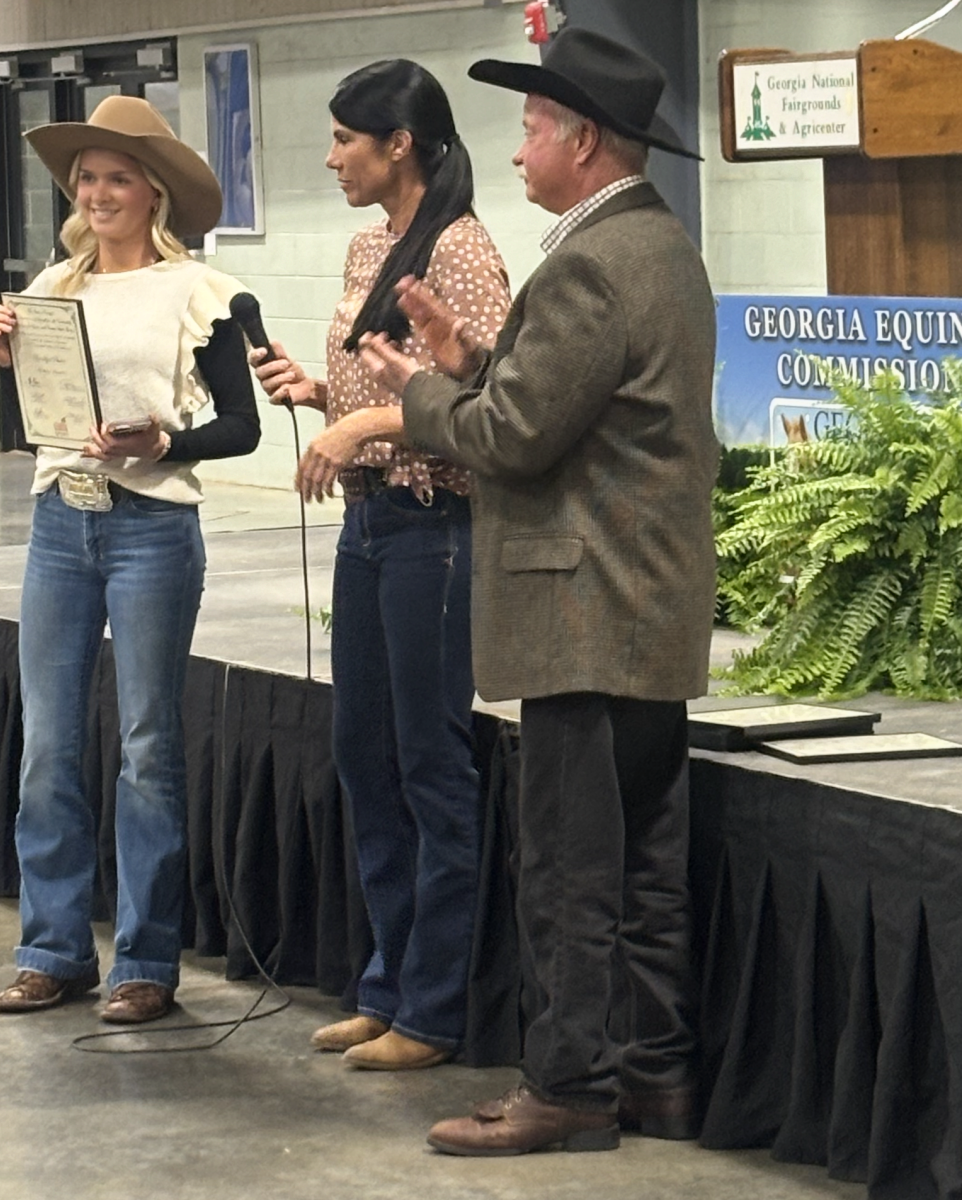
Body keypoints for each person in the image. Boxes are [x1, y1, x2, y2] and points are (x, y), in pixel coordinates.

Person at [359, 28, 718, 1151]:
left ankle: (564, 1090)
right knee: (645, 862)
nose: (513, 151)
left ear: (583, 139)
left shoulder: (589, 260)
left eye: (528, 128)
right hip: (644, 604)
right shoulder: (657, 245)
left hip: (580, 607)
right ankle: (653, 1078)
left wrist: (422, 397)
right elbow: (581, 409)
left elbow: (514, 439)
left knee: (567, 865)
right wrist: (469, 360)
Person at [250, 59, 510, 1069]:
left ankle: (434, 1011)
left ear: (396, 143)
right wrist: (319, 392)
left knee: (430, 767)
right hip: (366, 527)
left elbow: (486, 418)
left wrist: (360, 419)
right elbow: (376, 394)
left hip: (433, 530)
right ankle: (384, 984)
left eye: (342, 142)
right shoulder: (369, 243)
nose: (329, 160)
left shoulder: (464, 252)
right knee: (363, 756)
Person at [0, 96, 261, 1024]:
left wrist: (164, 441)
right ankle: (51, 948)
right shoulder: (50, 290)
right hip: (61, 520)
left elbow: (241, 426)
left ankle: (145, 959)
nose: (98, 193)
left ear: (155, 194)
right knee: (47, 743)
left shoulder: (204, 295)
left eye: (116, 178)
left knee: (147, 745)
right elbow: (51, 429)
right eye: (86, 179)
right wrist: (11, 364)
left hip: (151, 528)